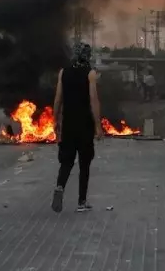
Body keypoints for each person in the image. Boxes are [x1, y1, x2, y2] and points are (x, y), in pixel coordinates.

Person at [52, 41, 102, 214]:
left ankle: (60, 186)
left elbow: (58, 99)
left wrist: (55, 120)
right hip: (85, 125)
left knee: (66, 161)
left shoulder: (63, 72)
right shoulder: (90, 74)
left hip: (68, 124)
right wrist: (98, 126)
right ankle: (81, 202)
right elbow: (93, 100)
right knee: (84, 164)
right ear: (87, 56)